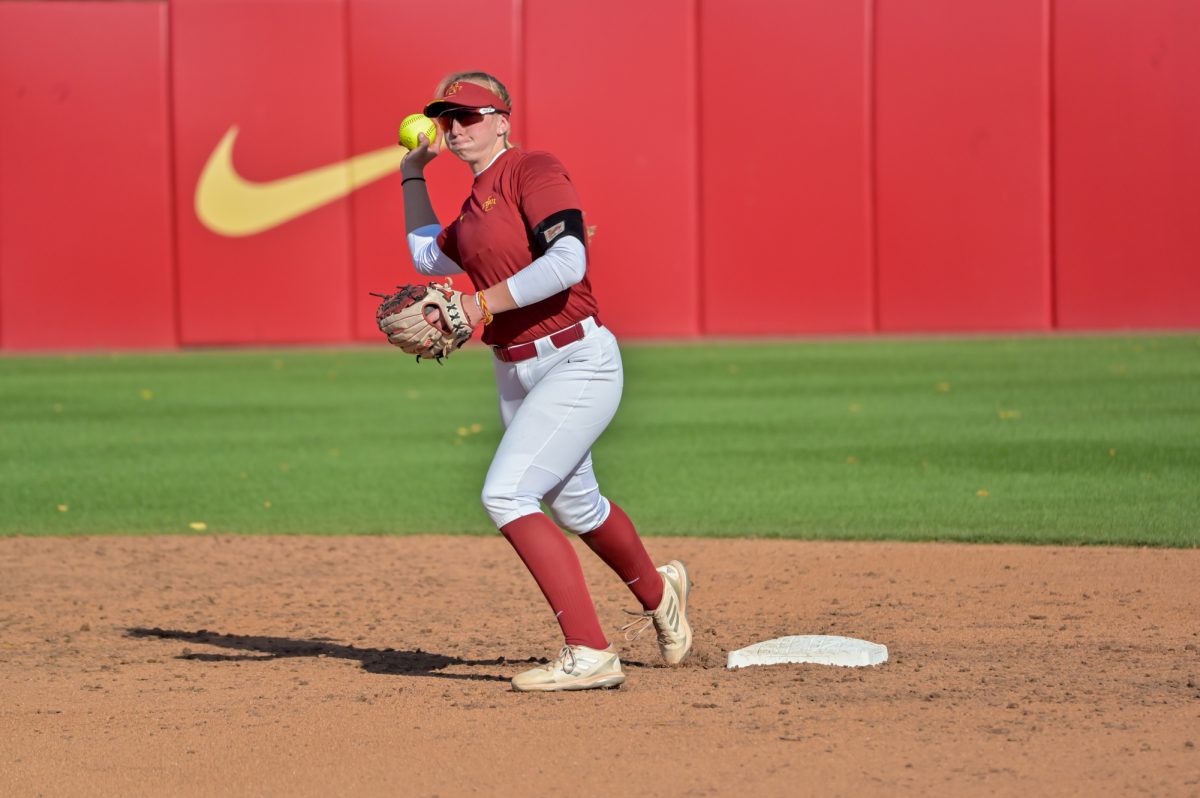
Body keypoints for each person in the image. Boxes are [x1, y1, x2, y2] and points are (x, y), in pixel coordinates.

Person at [397, 72, 692, 692]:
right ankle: (661, 593)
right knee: (575, 503)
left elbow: (568, 261)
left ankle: (590, 651)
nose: (456, 127)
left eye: (469, 115)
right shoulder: (473, 207)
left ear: (503, 119)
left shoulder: (533, 170)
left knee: (507, 495)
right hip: (516, 370)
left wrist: (480, 306)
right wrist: (412, 173)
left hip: (576, 360)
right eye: (447, 118)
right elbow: (428, 257)